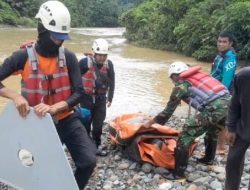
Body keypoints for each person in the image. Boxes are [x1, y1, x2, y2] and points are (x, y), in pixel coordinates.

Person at [0, 1, 96, 189]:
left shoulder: (68, 57)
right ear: (42, 29)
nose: (59, 41)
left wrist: (55, 107)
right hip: (36, 124)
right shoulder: (22, 57)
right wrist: (15, 96)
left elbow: (79, 92)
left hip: (66, 119)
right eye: (55, 37)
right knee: (37, 166)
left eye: (62, 37)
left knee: (88, 162)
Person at [143, 61, 231, 180]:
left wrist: (150, 123)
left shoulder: (181, 86)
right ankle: (208, 159)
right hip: (230, 103)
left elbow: (167, 113)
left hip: (216, 108)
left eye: (172, 79)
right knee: (212, 129)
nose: (173, 81)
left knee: (185, 135)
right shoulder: (199, 75)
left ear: (174, 75)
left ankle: (178, 173)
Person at [79, 38, 115, 156]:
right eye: (99, 55)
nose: (102, 58)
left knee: (98, 124)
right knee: (85, 123)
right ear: (94, 53)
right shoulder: (84, 63)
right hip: (86, 98)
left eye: (104, 55)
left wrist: (110, 97)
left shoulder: (109, 65)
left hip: (100, 99)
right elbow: (75, 79)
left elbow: (112, 81)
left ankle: (97, 145)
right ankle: (85, 146)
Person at [211, 31, 238, 155]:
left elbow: (226, 80)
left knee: (222, 120)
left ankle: (222, 147)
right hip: (214, 89)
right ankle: (219, 146)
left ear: (230, 43)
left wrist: (218, 94)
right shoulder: (219, 56)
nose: (221, 44)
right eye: (219, 41)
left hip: (225, 92)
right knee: (219, 120)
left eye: (224, 42)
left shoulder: (230, 58)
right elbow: (213, 74)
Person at [225, 67, 250, 190]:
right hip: (243, 126)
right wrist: (230, 128)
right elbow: (234, 104)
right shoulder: (244, 76)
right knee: (232, 162)